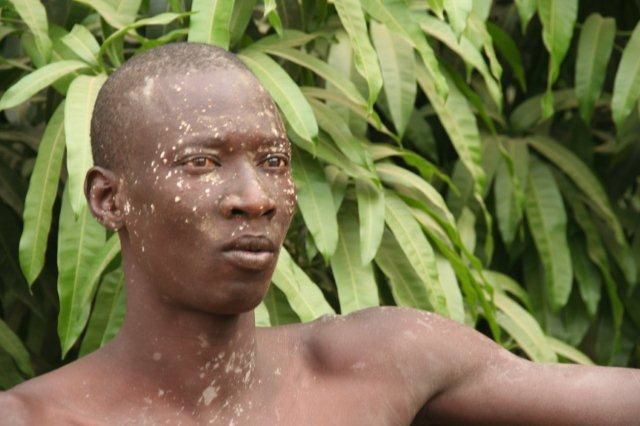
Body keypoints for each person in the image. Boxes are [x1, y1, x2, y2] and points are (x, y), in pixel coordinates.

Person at [1, 42, 639, 425]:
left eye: (273, 163)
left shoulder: (377, 364)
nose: (254, 198)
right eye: (200, 163)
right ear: (109, 200)